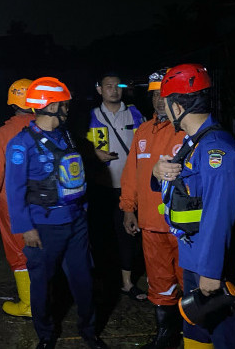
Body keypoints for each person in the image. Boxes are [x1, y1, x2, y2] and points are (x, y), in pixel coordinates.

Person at [153, 64, 235, 349]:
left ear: (176, 106)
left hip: (219, 268)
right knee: (197, 334)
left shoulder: (217, 149)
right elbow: (179, 188)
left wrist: (211, 272)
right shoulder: (194, 143)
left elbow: (218, 215)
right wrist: (157, 172)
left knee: (231, 339)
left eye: (166, 104)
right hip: (196, 258)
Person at [6, 77, 108, 349]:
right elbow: (14, 190)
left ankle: (89, 331)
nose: (68, 109)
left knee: (83, 281)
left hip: (76, 223)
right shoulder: (20, 144)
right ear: (49, 106)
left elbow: (75, 175)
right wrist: (26, 228)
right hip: (43, 228)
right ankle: (46, 336)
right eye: (64, 105)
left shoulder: (67, 135)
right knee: (42, 285)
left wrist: (83, 209)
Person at [120, 69, 185, 349]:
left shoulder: (189, 130)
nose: (160, 100)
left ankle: (193, 336)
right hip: (150, 224)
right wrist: (128, 208)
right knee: (159, 283)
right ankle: (165, 337)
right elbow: (131, 174)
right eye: (156, 94)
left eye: (166, 93)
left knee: (189, 282)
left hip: (183, 226)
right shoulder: (143, 132)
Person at [0, 78, 35, 317]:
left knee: (19, 253)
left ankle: (30, 305)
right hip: (49, 203)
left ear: (12, 104)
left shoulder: (1, 135)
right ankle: (48, 297)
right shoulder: (53, 128)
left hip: (12, 205)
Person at [87, 72, 146, 300]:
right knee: (101, 235)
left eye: (117, 86)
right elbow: (75, 147)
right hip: (101, 187)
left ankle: (127, 283)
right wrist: (93, 154)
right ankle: (101, 280)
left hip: (129, 187)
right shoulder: (90, 116)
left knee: (128, 234)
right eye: (108, 86)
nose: (114, 90)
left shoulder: (134, 113)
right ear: (99, 89)